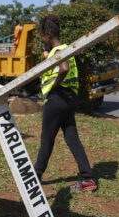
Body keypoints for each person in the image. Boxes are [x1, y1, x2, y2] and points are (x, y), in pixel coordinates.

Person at [34, 14, 97, 191]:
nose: (41, 39)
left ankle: (35, 175)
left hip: (57, 98)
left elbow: (64, 69)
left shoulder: (58, 51)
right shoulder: (67, 49)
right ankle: (88, 178)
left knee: (47, 138)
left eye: (41, 35)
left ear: (47, 34)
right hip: (69, 98)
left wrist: (53, 86)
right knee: (71, 138)